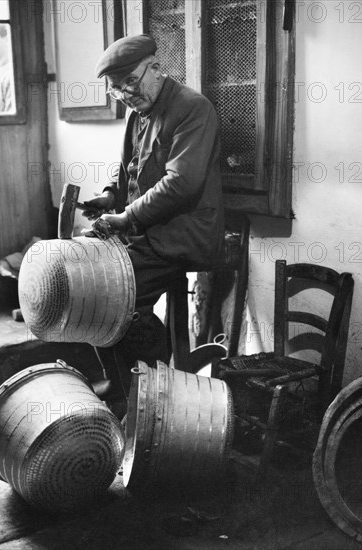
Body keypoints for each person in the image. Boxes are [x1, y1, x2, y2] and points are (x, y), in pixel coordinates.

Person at [83, 34, 225, 405]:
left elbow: (182, 184)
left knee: (112, 299)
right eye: (117, 89)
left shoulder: (193, 108)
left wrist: (125, 218)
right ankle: (124, 384)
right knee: (89, 289)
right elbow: (127, 174)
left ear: (157, 69)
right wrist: (109, 198)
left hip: (183, 235)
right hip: (145, 233)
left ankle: (153, 394)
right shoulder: (138, 116)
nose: (127, 94)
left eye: (131, 82)